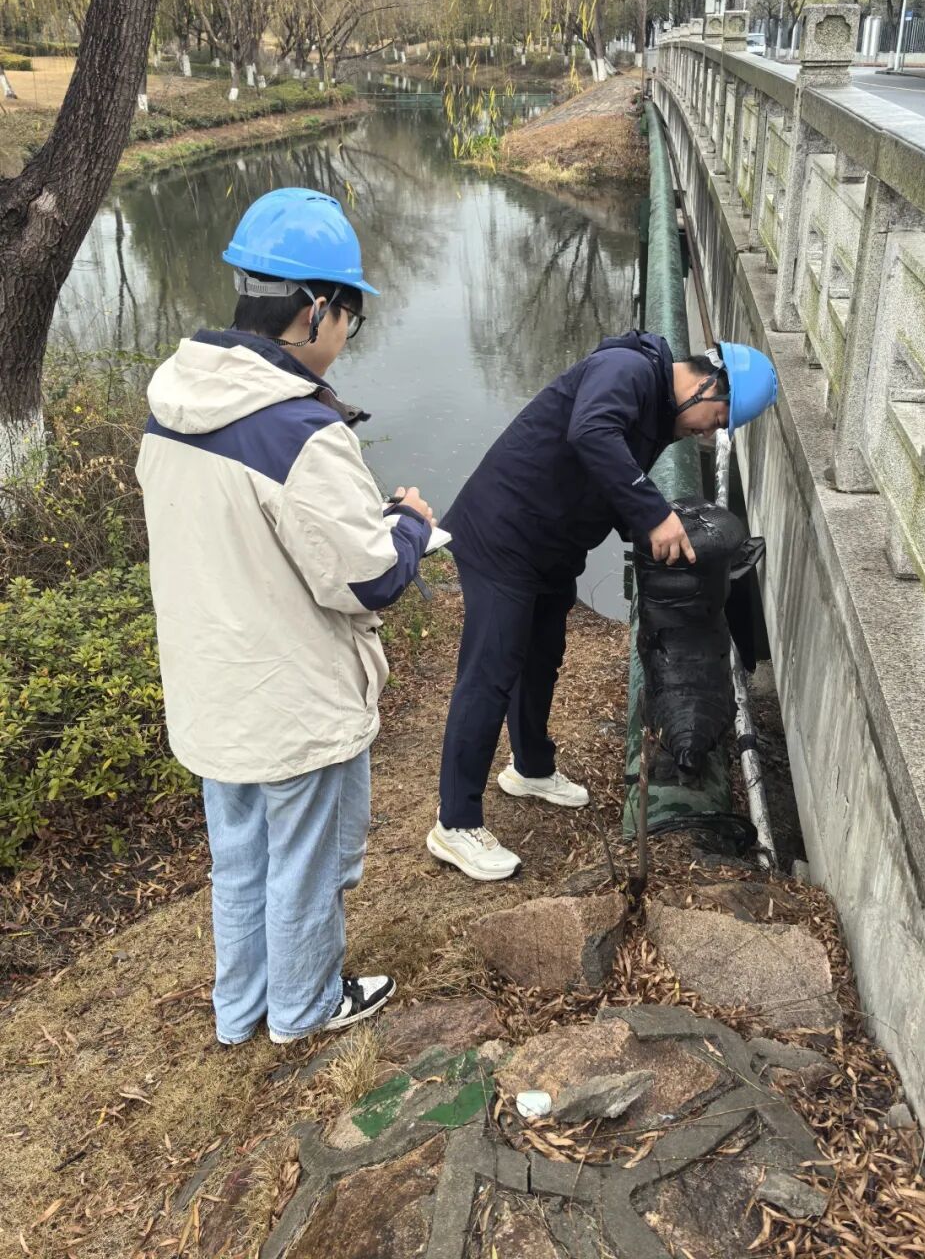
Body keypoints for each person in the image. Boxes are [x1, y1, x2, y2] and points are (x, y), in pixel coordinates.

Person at [137, 187, 435, 1046]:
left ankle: (240, 1011)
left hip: (211, 686)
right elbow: (369, 581)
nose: (346, 335)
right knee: (305, 864)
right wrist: (411, 526)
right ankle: (304, 1009)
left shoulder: (170, 407)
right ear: (314, 310)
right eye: (350, 317)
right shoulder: (298, 430)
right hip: (291, 695)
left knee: (238, 862)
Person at [427, 329, 778, 881]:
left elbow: (608, 481)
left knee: (542, 657)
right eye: (716, 419)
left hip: (550, 546)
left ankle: (530, 768)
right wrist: (653, 514)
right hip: (504, 534)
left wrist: (664, 523)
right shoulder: (628, 370)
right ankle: (456, 823)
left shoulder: (658, 411)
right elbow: (591, 432)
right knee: (490, 673)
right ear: (710, 385)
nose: (709, 432)